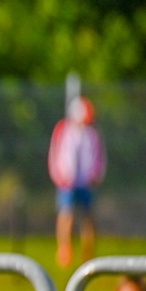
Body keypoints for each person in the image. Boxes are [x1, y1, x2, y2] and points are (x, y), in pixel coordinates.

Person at [47, 94, 106, 268]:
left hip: (86, 182)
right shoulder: (64, 130)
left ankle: (88, 253)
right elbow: (55, 154)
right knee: (66, 215)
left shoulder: (92, 134)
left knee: (88, 218)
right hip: (67, 182)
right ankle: (64, 250)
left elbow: (99, 156)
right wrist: (59, 176)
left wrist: (97, 175)